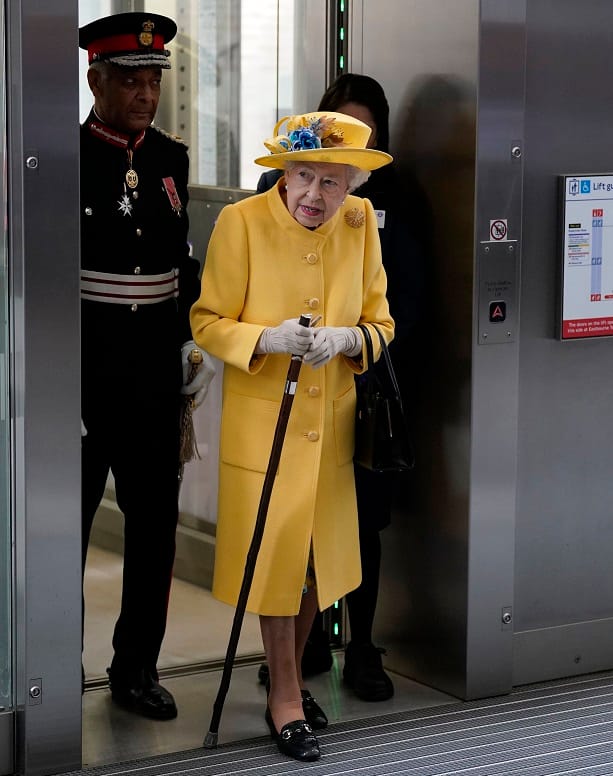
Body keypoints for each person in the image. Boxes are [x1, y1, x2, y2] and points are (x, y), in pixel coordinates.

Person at [190, 112, 393, 761]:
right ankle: (284, 697)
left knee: (314, 567)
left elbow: (380, 322)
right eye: (304, 176)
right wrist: (262, 338)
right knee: (277, 562)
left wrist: (347, 339)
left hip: (328, 428)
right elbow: (206, 321)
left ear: (351, 187)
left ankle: (289, 682)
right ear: (283, 173)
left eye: (332, 183)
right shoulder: (241, 223)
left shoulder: (360, 230)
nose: (314, 195)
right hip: (265, 428)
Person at [256, 74, 427, 703]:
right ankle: (289, 659)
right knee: (289, 529)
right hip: (290, 383)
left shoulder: (396, 200)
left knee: (360, 524)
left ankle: (361, 646)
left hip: (367, 382)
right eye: (335, 132)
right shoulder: (280, 194)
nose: (337, 165)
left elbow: (407, 298)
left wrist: (358, 341)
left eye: (363, 137)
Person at [79, 12, 215, 720]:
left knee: (154, 529)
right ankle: (49, 663)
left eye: (152, 79)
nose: (144, 92)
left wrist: (191, 336)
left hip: (153, 383)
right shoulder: (60, 156)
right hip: (81, 380)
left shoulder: (169, 157)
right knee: (61, 529)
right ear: (94, 78)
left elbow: (178, 262)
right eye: (129, 79)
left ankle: (135, 669)